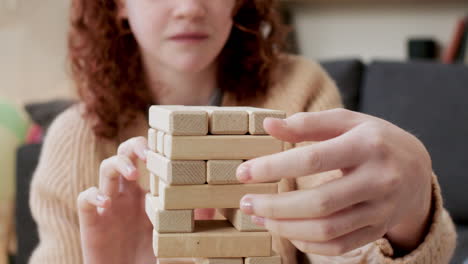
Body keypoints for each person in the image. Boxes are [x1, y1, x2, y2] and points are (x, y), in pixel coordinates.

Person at [29, 0, 456, 263]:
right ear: (117, 4)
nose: (190, 6)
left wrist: (410, 215)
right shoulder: (76, 137)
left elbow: (349, 254)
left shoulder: (300, 89)